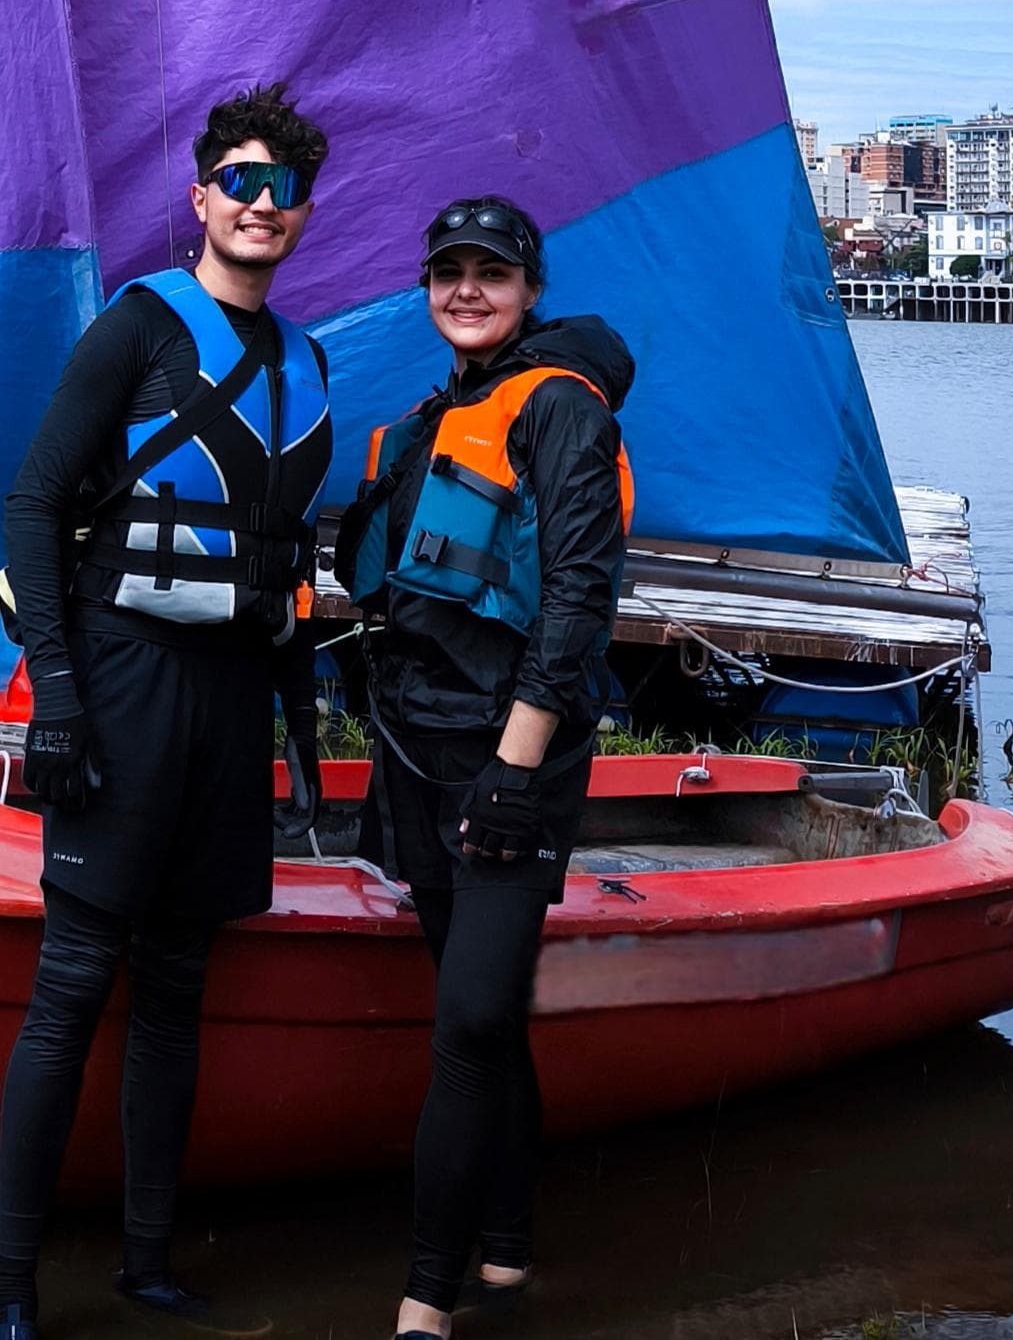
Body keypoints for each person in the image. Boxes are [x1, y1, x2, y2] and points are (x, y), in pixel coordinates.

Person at [0, 81, 335, 1340]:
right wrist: (58, 700)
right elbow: (33, 502)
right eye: (242, 180)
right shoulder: (136, 326)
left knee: (178, 988)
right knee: (74, 983)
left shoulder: (307, 359)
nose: (262, 203)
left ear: (302, 213)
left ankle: (145, 1263)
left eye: (284, 188)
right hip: (121, 680)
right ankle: (10, 1285)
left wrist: (299, 728)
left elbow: (283, 555)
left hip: (228, 703)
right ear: (201, 196)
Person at [336, 198, 633, 1338]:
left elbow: (577, 596)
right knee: (491, 1020)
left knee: (462, 1028)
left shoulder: (559, 406)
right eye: (448, 271)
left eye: (491, 272)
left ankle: (424, 1302)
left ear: (530, 288)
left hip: (511, 761)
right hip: (419, 749)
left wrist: (514, 772)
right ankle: (507, 1257)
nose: (467, 289)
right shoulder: (437, 416)